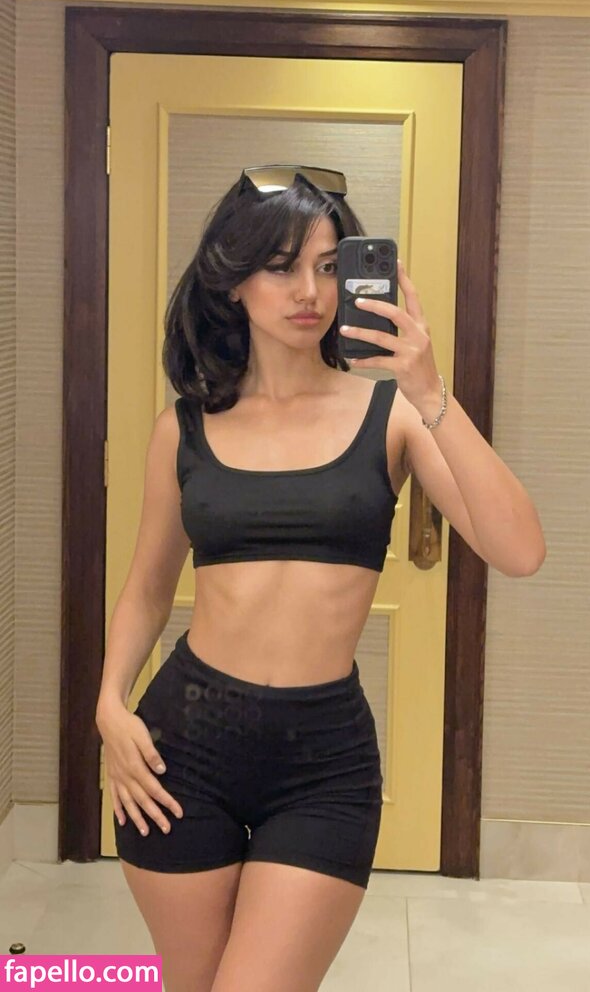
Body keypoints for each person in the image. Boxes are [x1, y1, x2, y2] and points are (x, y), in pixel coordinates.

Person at [95, 165, 546, 992]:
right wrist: (108, 704)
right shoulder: (182, 428)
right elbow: (148, 589)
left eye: (330, 266)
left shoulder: (392, 415)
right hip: (181, 750)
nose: (310, 291)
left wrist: (432, 392)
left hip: (322, 763)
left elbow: (520, 550)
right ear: (233, 282)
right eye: (281, 267)